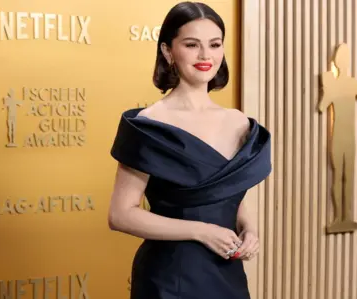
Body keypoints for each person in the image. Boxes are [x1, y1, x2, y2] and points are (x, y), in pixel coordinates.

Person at [108, 2, 272, 299]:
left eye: (214, 44)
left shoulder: (238, 122)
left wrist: (250, 229)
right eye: (191, 44)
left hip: (226, 271)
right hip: (170, 276)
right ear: (168, 51)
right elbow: (120, 215)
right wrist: (201, 231)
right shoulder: (150, 124)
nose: (205, 55)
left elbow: (226, 193)